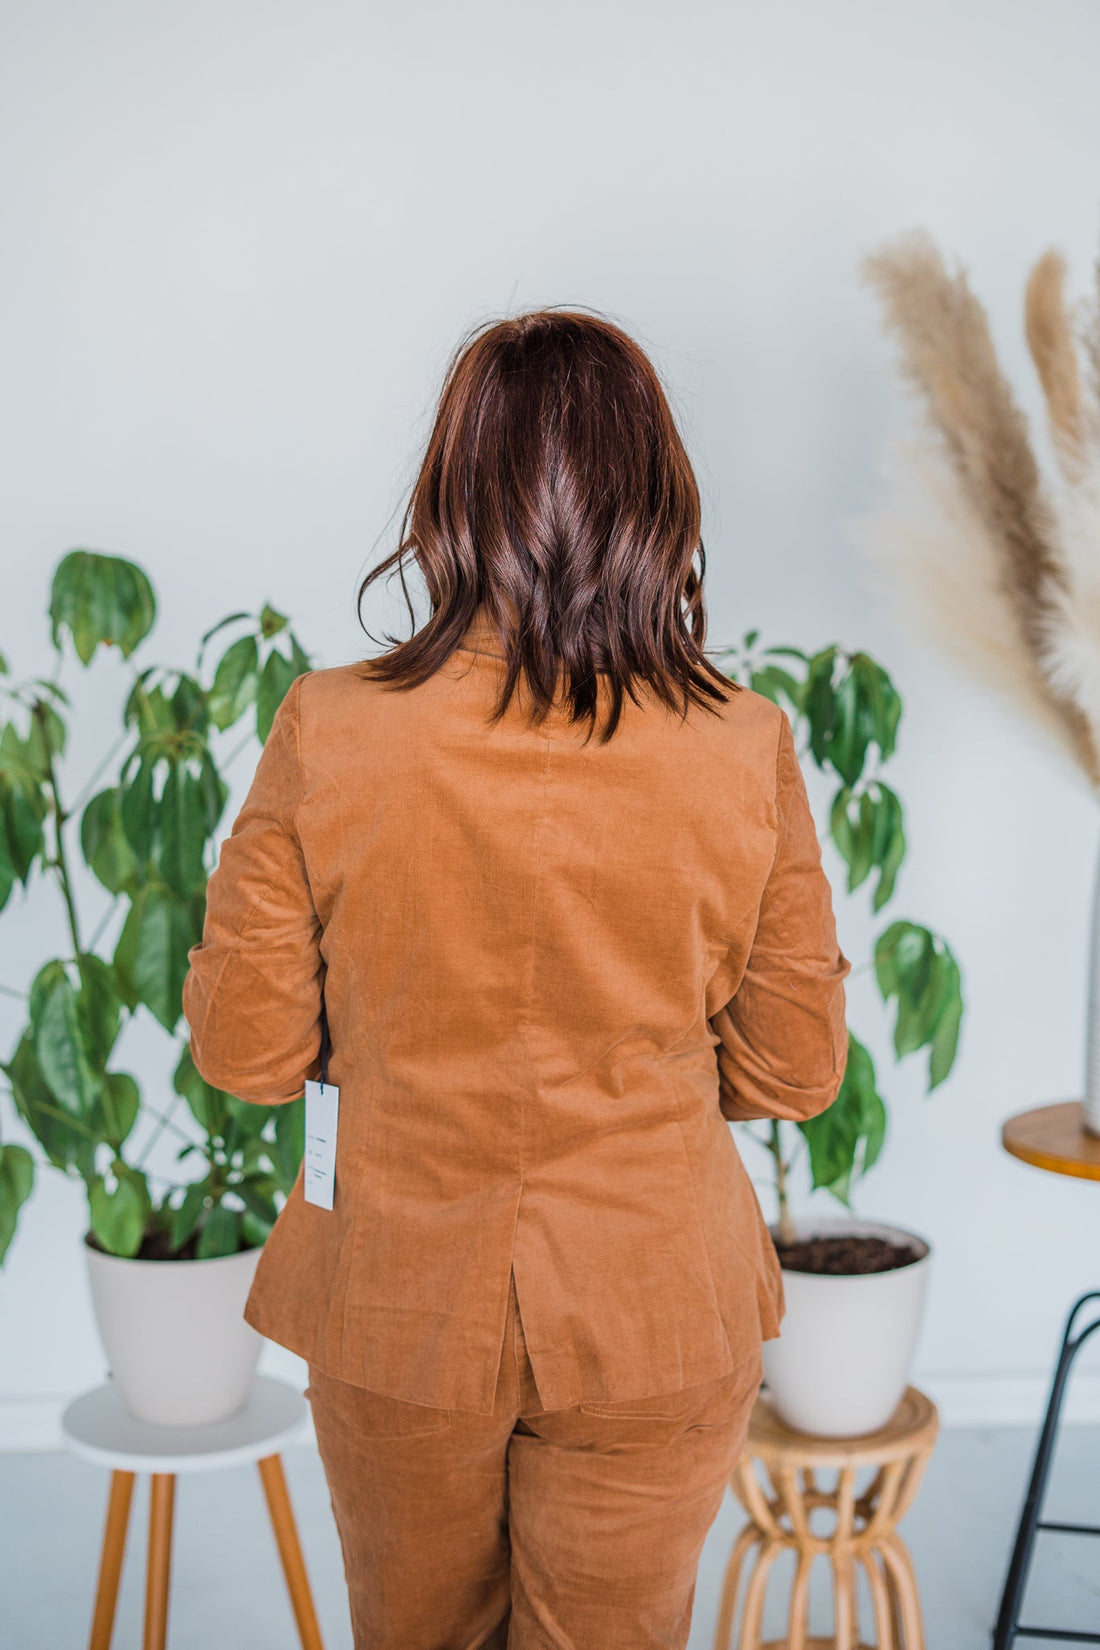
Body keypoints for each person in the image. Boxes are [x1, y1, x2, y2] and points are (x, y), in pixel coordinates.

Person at [182, 309, 851, 1650]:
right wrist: (638, 1060)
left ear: (452, 494)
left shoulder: (330, 724)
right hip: (657, 1296)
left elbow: (248, 1054)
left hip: (396, 1295)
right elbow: (795, 1070)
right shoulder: (742, 742)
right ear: (656, 498)